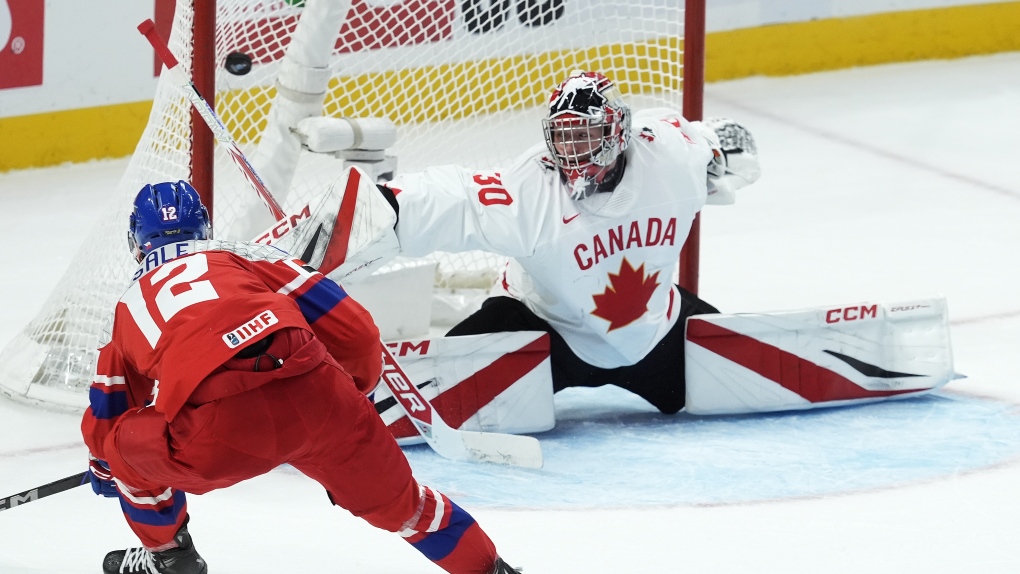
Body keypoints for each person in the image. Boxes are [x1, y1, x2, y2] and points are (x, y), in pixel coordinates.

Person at [82, 181, 519, 574]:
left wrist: (107, 469)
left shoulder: (125, 307)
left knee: (121, 445)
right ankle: (489, 570)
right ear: (204, 228)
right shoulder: (250, 255)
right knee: (409, 509)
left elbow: (108, 414)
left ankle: (168, 556)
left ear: (136, 243)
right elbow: (358, 332)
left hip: (222, 434)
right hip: (323, 399)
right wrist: (354, 398)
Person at [378, 70, 761, 415]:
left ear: (617, 130)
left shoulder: (670, 154)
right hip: (541, 332)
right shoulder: (529, 189)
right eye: (564, 137)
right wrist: (384, 207)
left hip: (653, 332)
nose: (573, 150)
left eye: (586, 135)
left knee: (746, 383)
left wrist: (725, 153)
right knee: (450, 378)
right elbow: (453, 199)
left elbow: (716, 146)